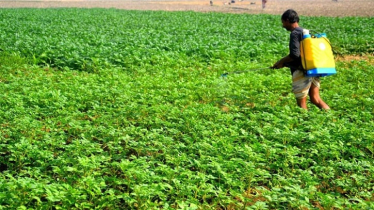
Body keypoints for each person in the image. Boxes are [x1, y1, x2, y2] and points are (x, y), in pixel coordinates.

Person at [272, 9, 330, 110]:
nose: (283, 25)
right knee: (316, 99)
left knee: (301, 103)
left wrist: (281, 62)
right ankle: (331, 118)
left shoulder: (294, 33)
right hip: (313, 69)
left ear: (287, 20)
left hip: (302, 71)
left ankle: (304, 123)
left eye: (283, 22)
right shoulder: (305, 32)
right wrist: (285, 64)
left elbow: (295, 55)